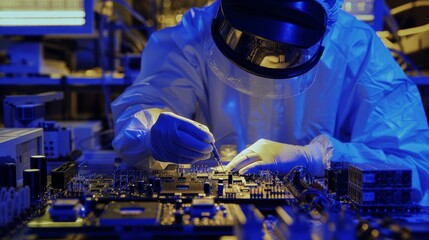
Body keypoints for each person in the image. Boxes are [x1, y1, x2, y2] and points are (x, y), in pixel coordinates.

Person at [111, 0, 429, 205]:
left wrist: (318, 158)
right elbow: (139, 113)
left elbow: (414, 166)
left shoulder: (357, 49)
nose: (266, 56)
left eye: (287, 50)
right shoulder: (193, 35)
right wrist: (153, 130)